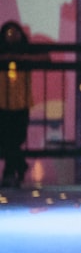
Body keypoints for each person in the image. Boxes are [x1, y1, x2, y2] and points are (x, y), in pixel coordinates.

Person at [0, 21, 35, 188]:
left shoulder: (26, 51)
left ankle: (14, 169)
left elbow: (46, 57)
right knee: (8, 138)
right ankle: (16, 167)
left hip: (21, 102)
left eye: (15, 34)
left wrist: (20, 58)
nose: (12, 37)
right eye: (9, 34)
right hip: (2, 102)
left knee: (16, 138)